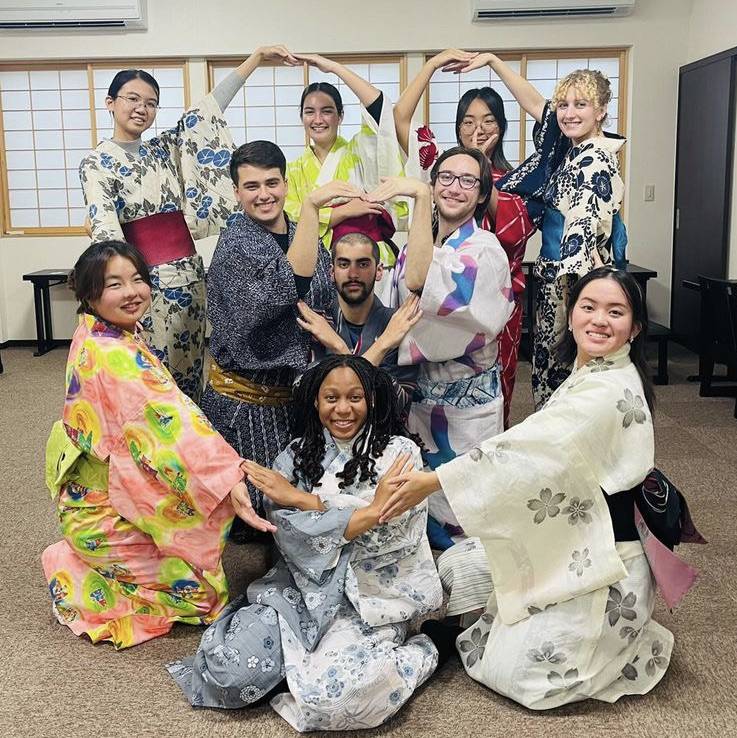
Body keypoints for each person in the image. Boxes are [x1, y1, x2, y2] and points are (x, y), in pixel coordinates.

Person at [379, 267, 693, 709]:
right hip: (577, 524)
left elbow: (526, 448)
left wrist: (434, 480)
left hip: (606, 552)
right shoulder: (598, 368)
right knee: (461, 572)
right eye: (588, 307)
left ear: (636, 326)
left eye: (615, 311)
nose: (599, 320)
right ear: (571, 314)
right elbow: (538, 448)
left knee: (525, 677)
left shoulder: (609, 387)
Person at [167, 355, 442, 731]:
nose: (343, 409)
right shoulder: (294, 456)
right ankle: (294, 663)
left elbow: (393, 530)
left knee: (332, 701)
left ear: (372, 400)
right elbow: (287, 531)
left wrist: (304, 500)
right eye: (331, 398)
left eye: (355, 398)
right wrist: (364, 510)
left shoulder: (399, 452)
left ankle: (426, 650)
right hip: (296, 589)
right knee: (228, 673)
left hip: (368, 597)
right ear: (316, 401)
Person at [41, 241, 275, 650]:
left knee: (199, 566)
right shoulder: (112, 354)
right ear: (90, 294)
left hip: (98, 488)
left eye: (137, 279)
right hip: (97, 506)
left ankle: (102, 557)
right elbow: (173, 422)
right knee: (203, 598)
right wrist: (227, 474)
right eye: (115, 284)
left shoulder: (97, 329)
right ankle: (78, 565)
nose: (132, 291)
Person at [79, 46, 300, 400]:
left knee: (193, 369)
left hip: (190, 276)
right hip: (144, 284)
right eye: (132, 99)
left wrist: (255, 59)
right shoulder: (96, 163)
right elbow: (105, 232)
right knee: (153, 376)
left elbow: (207, 112)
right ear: (110, 103)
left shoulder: (164, 148)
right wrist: (122, 290)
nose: (142, 109)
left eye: (151, 103)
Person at [445, 54, 627, 407]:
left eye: (581, 104)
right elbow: (535, 105)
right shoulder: (568, 151)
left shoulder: (594, 158)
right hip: (550, 277)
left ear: (602, 110)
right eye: (563, 104)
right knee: (550, 378)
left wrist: (582, 303)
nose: (569, 113)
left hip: (575, 282)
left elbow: (584, 231)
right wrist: (494, 62)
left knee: (574, 377)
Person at [366, 147, 513, 550]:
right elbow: (394, 302)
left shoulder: (484, 250)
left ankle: (472, 601)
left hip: (466, 403)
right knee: (421, 503)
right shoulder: (429, 240)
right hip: (420, 396)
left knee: (467, 508)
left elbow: (419, 281)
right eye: (445, 177)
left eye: (468, 181)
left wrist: (418, 196)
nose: (455, 188)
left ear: (482, 194)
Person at [202, 140, 349, 540]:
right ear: (236, 192)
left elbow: (321, 292)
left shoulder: (300, 230)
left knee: (303, 498)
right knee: (255, 519)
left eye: (272, 183)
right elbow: (279, 295)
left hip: (294, 390)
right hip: (247, 402)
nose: (264, 194)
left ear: (285, 184)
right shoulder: (235, 245)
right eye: (251, 187)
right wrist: (315, 209)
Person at [394, 49, 535, 426]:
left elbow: (514, 235)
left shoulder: (514, 181)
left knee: (492, 396)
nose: (479, 128)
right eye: (469, 120)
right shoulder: (444, 171)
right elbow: (400, 117)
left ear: (501, 127)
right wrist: (431, 65)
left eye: (489, 120)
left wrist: (483, 171)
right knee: (422, 404)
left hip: (488, 307)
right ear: (457, 127)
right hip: (433, 311)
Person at [284, 53, 406, 265]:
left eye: (327, 111)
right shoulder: (291, 170)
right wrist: (343, 212)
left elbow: (378, 113)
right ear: (301, 117)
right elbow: (289, 218)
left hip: (367, 261)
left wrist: (335, 68)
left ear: (340, 116)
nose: (318, 119)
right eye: (309, 112)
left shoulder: (359, 152)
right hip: (316, 265)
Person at [295, 230, 422, 413]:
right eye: (344, 264)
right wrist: (381, 348)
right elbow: (305, 396)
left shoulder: (398, 325)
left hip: (383, 438)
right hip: (322, 439)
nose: (353, 274)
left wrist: (339, 350)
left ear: (379, 271)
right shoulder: (317, 323)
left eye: (363, 264)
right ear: (332, 272)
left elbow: (397, 403)